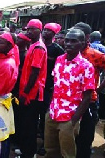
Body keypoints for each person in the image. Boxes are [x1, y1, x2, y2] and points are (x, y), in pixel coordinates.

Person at [44, 29, 95, 158]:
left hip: (69, 116)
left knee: (67, 153)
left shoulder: (86, 66)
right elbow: (55, 86)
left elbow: (87, 96)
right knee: (50, 149)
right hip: (53, 112)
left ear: (82, 44)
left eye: (73, 41)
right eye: (67, 40)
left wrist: (74, 120)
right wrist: (49, 110)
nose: (68, 44)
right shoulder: (59, 59)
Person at [73, 22, 105, 158]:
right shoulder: (69, 54)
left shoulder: (95, 55)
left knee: (85, 139)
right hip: (70, 101)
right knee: (70, 137)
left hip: (88, 102)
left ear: (86, 37)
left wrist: (99, 89)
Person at [19, 19, 47, 158]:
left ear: (39, 30)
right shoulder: (33, 45)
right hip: (29, 91)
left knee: (30, 125)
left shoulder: (38, 48)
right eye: (27, 29)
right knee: (26, 123)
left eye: (32, 29)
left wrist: (25, 92)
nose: (28, 31)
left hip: (33, 92)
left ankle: (29, 154)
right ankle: (26, 151)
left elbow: (35, 73)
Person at [38, 22, 64, 155]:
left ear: (54, 34)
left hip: (48, 88)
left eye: (49, 30)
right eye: (45, 29)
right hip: (36, 86)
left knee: (45, 116)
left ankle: (44, 143)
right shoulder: (37, 46)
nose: (45, 32)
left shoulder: (57, 49)